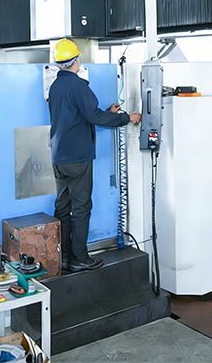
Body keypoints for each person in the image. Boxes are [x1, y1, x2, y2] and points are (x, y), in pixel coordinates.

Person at [48, 38, 140, 272]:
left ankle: (63, 257)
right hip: (77, 157)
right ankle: (80, 258)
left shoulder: (55, 86)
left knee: (63, 207)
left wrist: (108, 112)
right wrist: (126, 118)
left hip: (59, 156)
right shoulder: (78, 85)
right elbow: (93, 116)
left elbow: (78, 116)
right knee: (81, 208)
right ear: (76, 60)